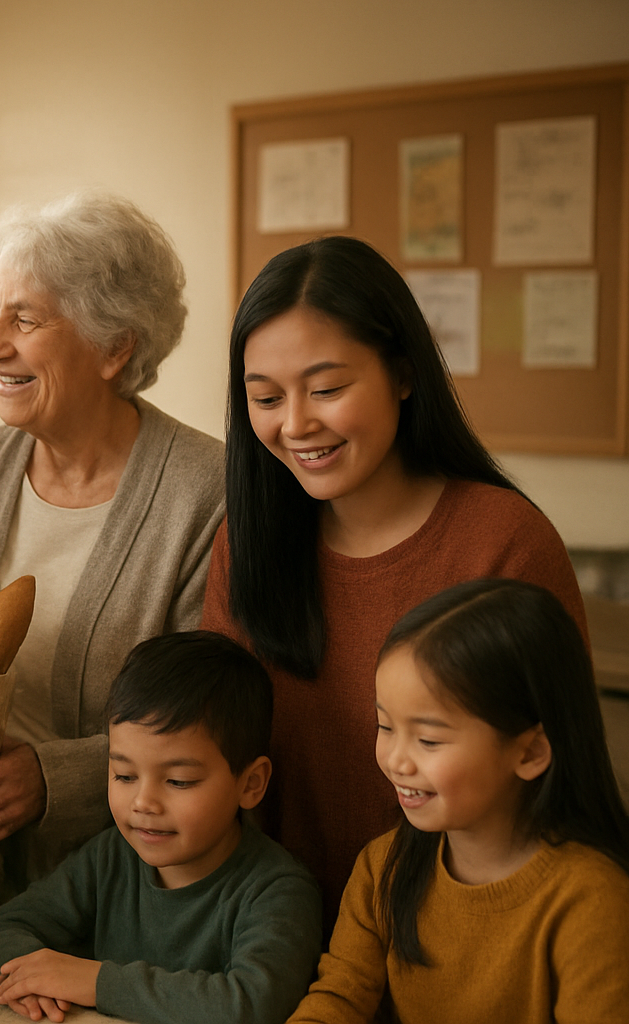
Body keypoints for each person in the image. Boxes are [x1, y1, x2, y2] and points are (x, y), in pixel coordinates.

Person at [199, 236, 588, 932]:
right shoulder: (249, 543)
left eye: (326, 389)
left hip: (460, 949)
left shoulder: (503, 543)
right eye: (265, 397)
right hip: (272, 941)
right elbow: (214, 756)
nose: (295, 424)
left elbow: (560, 789)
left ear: (404, 374)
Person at [0, 191, 223, 884]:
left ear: (115, 347)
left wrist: (51, 780)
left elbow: (213, 714)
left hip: (125, 882)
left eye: (24, 319)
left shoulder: (206, 493)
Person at [291, 579, 629, 1022]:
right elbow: (338, 997)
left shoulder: (592, 900)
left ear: (529, 752)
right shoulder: (381, 867)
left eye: (428, 740)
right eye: (385, 726)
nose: (396, 760)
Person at [0, 631, 321, 1023]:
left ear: (251, 783)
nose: (143, 803)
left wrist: (94, 982)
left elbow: (251, 1004)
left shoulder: (278, 891)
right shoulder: (110, 857)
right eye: (124, 775)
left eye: (178, 781)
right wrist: (29, 985)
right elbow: (3, 927)